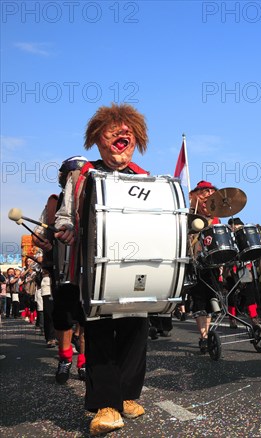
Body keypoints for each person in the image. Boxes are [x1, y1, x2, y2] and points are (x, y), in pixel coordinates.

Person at [54, 103, 149, 435]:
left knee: (136, 330)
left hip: (135, 266)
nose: (123, 134)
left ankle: (126, 396)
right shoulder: (83, 175)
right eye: (114, 129)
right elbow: (66, 213)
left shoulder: (142, 177)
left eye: (129, 131)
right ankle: (107, 405)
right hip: (93, 269)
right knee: (99, 334)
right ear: (97, 138)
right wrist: (65, 228)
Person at [33, 156, 89, 383]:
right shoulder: (54, 204)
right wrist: (44, 242)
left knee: (87, 319)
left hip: (88, 269)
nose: (73, 179)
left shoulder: (93, 198)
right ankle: (65, 359)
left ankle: (84, 362)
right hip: (62, 270)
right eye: (70, 175)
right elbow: (38, 234)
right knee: (64, 318)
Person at [186, 180, 221, 353]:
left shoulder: (216, 218)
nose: (207, 196)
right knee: (199, 299)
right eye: (203, 193)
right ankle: (204, 336)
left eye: (210, 193)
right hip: (195, 263)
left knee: (212, 300)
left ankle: (207, 333)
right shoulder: (188, 216)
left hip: (212, 263)